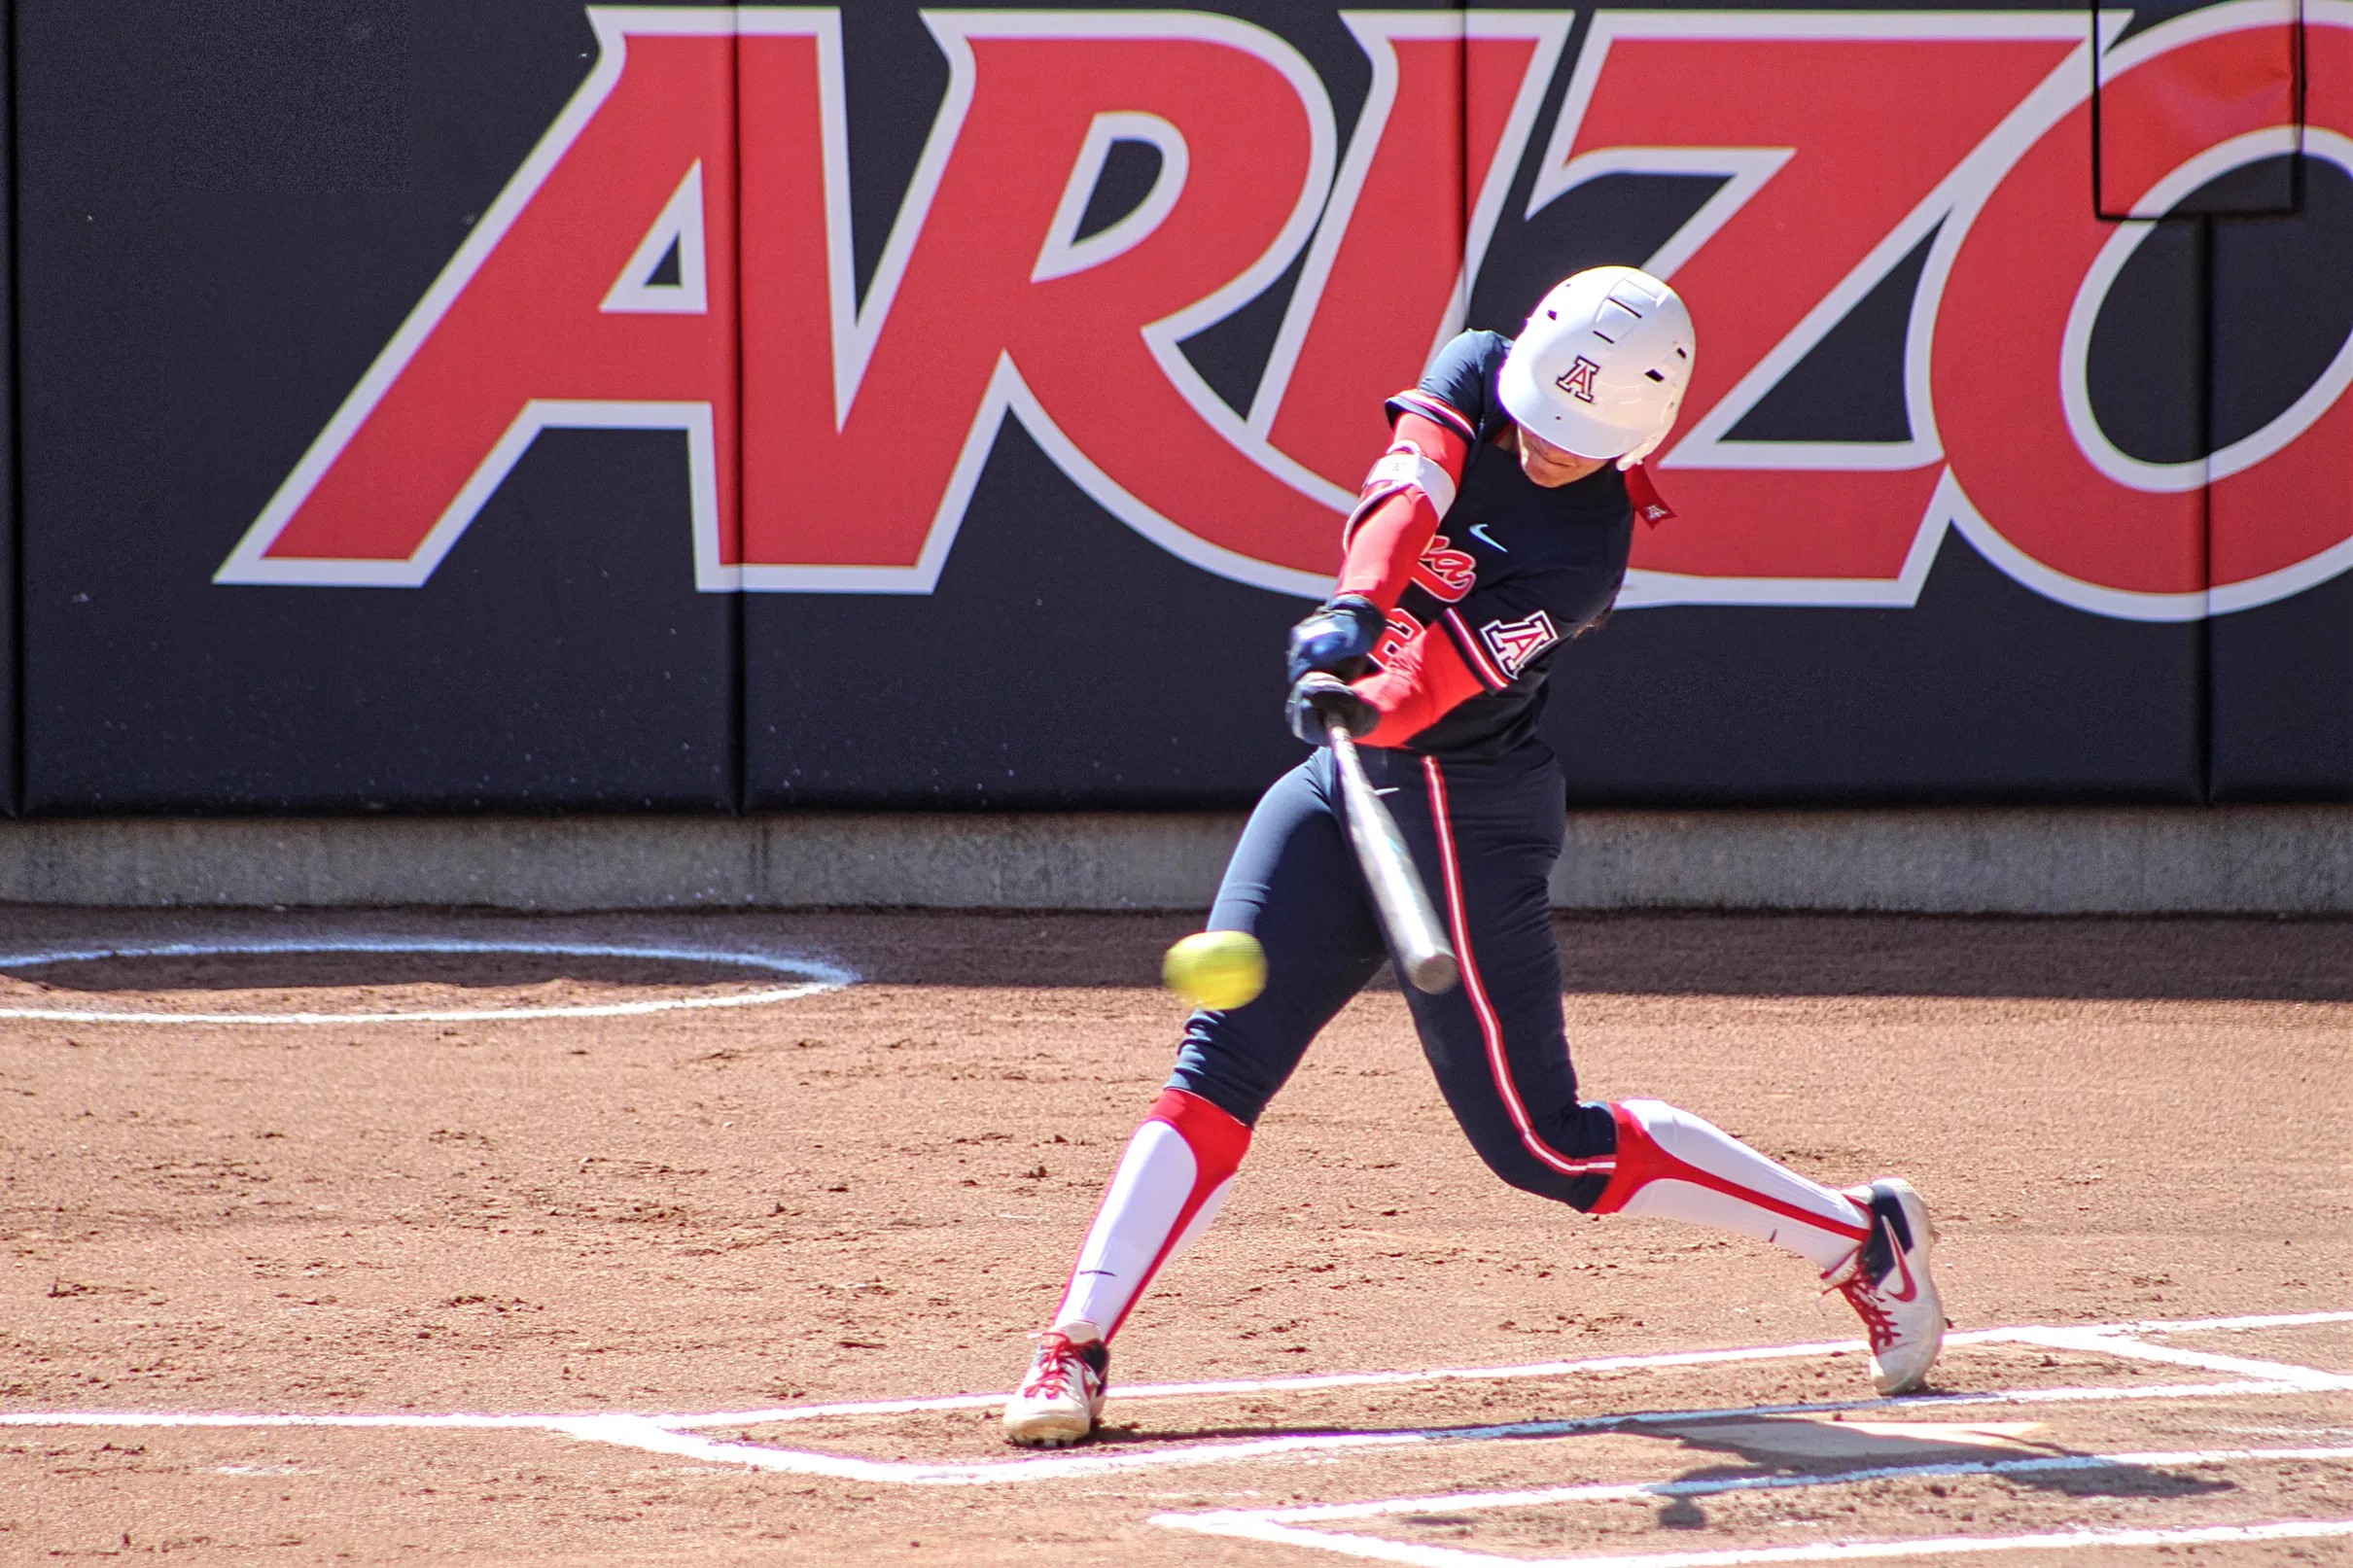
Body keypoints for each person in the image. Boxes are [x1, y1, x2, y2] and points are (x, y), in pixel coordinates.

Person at [1001, 266, 1945, 1448]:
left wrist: (1365, 694)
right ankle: (1072, 1347)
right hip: (1344, 790)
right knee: (1216, 1060)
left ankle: (1859, 1235)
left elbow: (1435, 677)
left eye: (1571, 445)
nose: (1544, 452)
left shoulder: (1585, 550)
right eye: (1537, 428)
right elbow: (1407, 492)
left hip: (1465, 805)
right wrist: (1350, 609)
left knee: (1543, 1143)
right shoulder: (1474, 367)